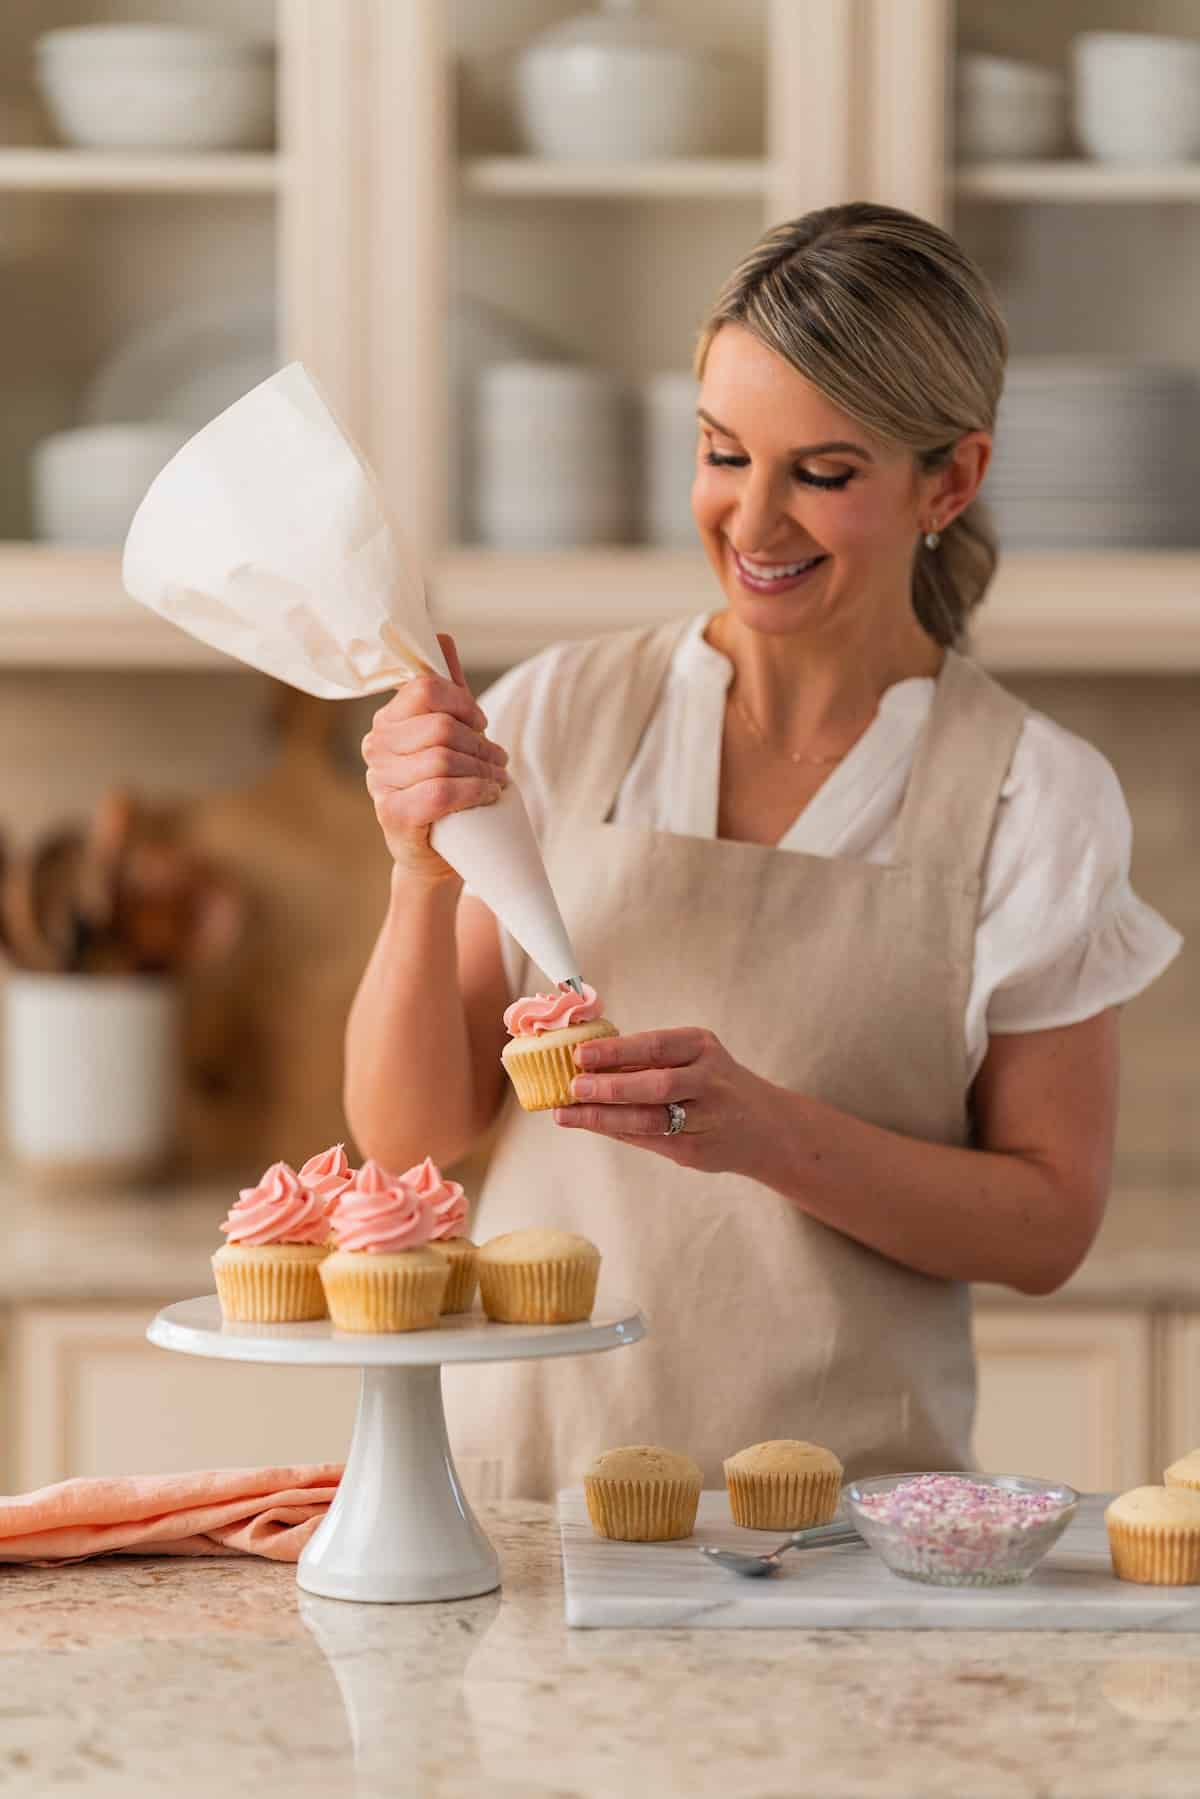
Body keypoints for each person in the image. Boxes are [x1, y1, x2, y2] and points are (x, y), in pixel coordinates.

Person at [344, 202, 1181, 1499]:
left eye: (824, 473)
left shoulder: (1033, 797)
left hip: (843, 1540)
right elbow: (415, 1134)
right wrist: (418, 868)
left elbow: (1046, 1227)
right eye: (726, 455)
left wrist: (765, 1132)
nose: (754, 523)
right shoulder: (560, 716)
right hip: (515, 1498)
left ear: (949, 482)